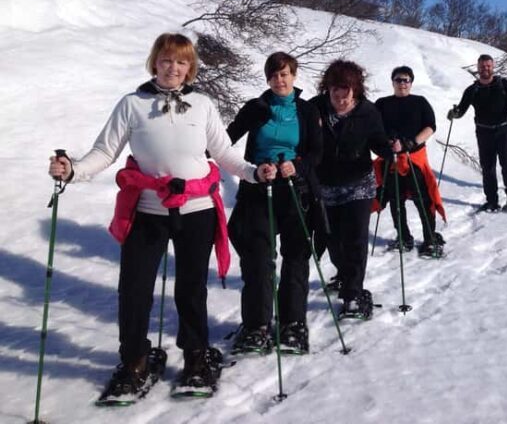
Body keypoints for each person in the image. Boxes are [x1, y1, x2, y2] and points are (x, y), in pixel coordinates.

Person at [47, 33, 270, 400]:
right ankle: (134, 359)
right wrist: (72, 170)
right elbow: (105, 151)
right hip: (148, 212)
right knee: (134, 289)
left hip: (195, 210)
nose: (174, 68)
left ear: (190, 68)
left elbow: (224, 153)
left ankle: (196, 356)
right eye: (167, 60)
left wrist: (253, 172)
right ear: (155, 62)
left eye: (181, 62)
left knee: (191, 289)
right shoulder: (132, 104)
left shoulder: (202, 105)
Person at [226, 52, 323, 355]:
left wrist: (298, 164)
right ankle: (256, 325)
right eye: (274, 75)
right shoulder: (257, 107)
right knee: (257, 257)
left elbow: (318, 152)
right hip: (259, 185)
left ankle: (293, 324)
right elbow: (225, 139)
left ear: (294, 76)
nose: (279, 80)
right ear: (267, 78)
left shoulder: (306, 111)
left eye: (285, 74)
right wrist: (256, 166)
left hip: (296, 189)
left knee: (295, 257)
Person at [309, 60, 395, 319]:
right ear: (328, 89)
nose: (340, 96)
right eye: (335, 90)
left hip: (359, 183)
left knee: (355, 238)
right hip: (325, 185)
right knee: (332, 240)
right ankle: (345, 274)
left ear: (356, 89)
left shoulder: (368, 112)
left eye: (346, 90)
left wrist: (390, 150)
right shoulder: (315, 109)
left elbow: (378, 141)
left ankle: (353, 295)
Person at [374, 66, 447, 257]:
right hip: (391, 159)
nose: (402, 84)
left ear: (411, 82)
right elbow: (373, 127)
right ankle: (404, 237)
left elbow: (431, 126)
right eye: (398, 80)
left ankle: (430, 239)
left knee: (422, 200)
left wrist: (411, 142)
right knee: (395, 201)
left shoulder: (420, 102)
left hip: (414, 158)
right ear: (392, 82)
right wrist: (386, 142)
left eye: (406, 80)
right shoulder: (382, 103)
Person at [447, 54, 507, 212]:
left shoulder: (503, 84)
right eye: (482, 66)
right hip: (483, 132)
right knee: (488, 167)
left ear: (493, 66)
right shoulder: (472, 89)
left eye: (488, 66)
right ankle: (491, 201)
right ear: (478, 68)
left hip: (503, 129)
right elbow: (461, 109)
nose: (485, 69)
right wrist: (455, 113)